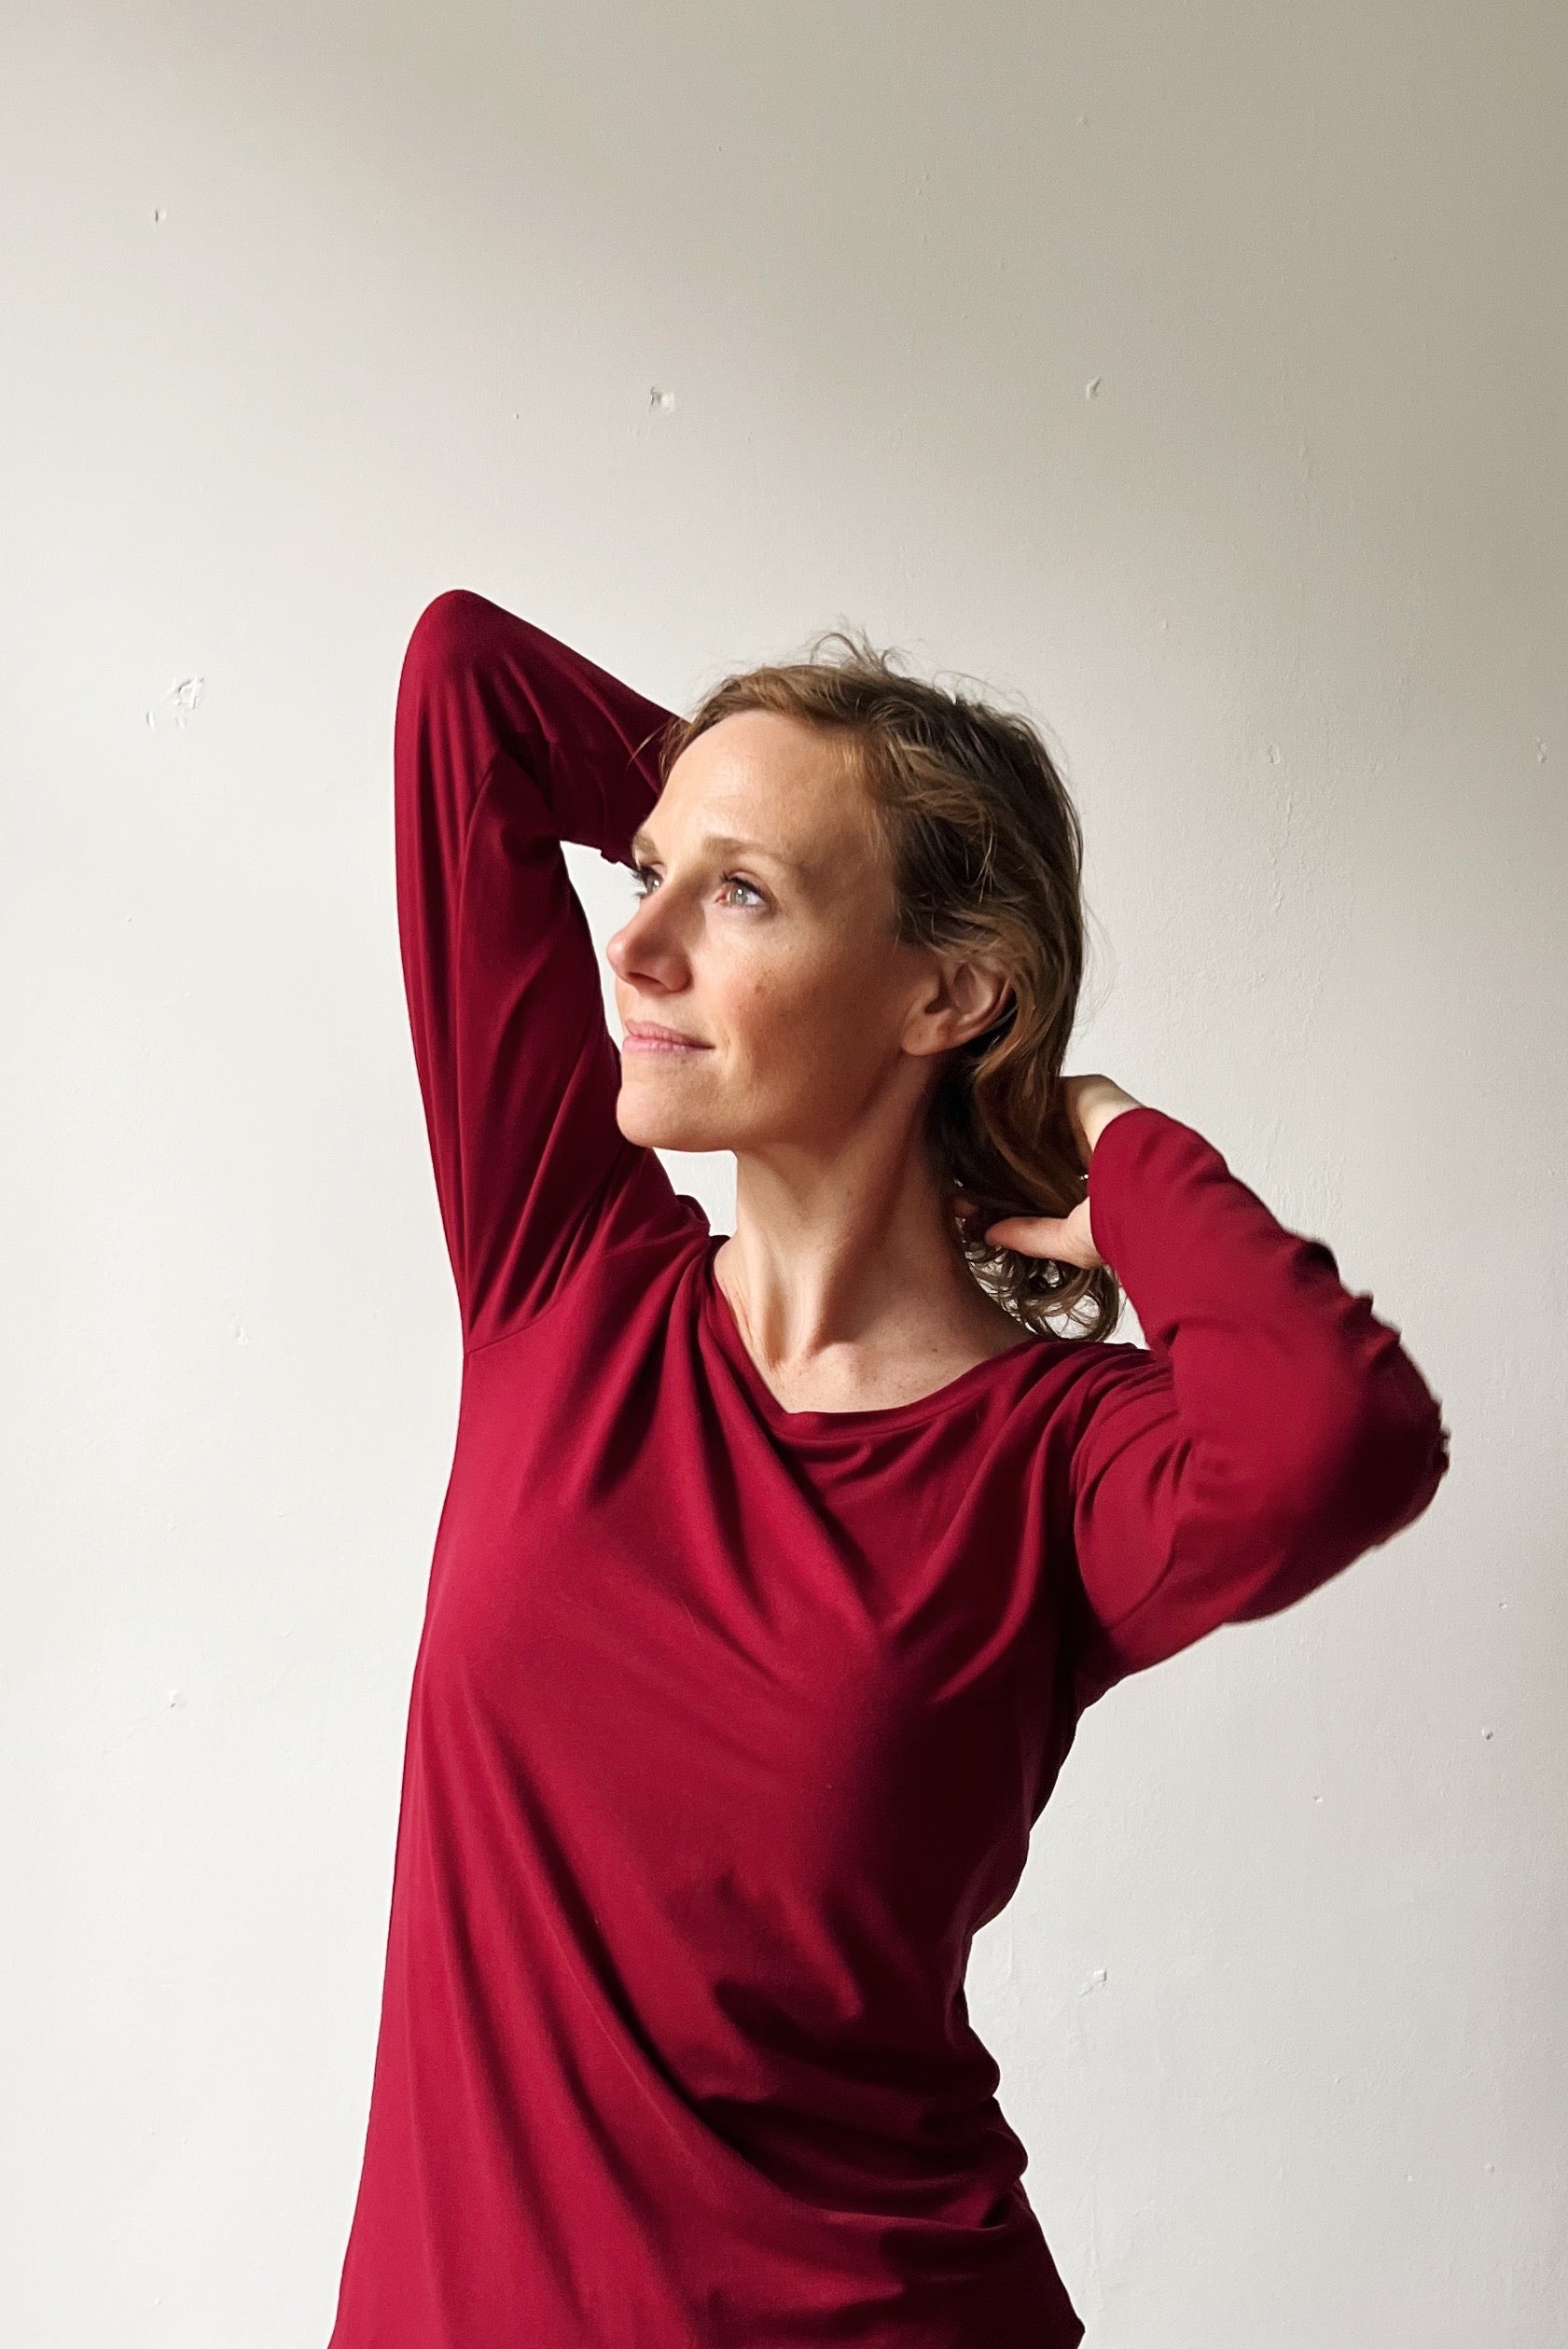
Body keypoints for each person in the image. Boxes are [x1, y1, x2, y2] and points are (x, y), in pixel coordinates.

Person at [325, 587, 1450, 2349]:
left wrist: (1110, 1138)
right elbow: (466, 682)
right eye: (650, 874)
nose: (637, 946)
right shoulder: (563, 1276)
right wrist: (727, 803)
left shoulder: (1058, 1462)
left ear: (947, 990)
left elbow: (1338, 1436)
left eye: (741, 897)